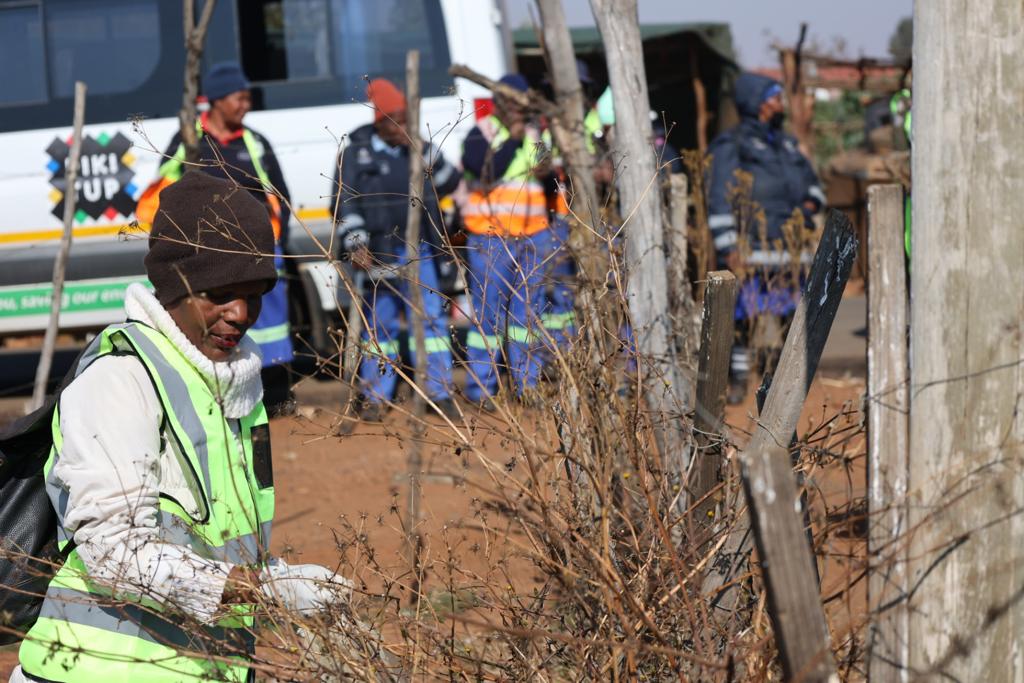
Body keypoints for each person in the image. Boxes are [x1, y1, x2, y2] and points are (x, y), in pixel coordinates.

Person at [13, 172, 351, 683]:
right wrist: (263, 591)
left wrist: (279, 579)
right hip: (96, 671)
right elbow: (115, 552)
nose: (240, 314)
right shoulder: (121, 380)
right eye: (218, 293)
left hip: (196, 667)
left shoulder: (228, 384)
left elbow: (211, 540)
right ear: (174, 285)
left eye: (255, 293)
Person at [140, 62, 295, 413]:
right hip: (209, 258)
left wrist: (270, 242)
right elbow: (167, 191)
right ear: (218, 100)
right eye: (239, 98)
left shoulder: (255, 143)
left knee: (268, 322)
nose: (246, 105)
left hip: (258, 255)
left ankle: (273, 393)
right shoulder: (189, 141)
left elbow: (280, 196)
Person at [332, 78, 460, 421]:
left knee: (431, 320)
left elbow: (450, 179)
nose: (403, 127)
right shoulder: (355, 155)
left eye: (407, 120)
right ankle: (376, 396)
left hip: (418, 250)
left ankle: (438, 391)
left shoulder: (417, 148)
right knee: (381, 327)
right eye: (397, 121)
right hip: (378, 253)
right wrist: (356, 245)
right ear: (380, 122)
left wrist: (421, 145)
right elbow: (343, 205)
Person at [707, 72, 825, 402]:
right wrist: (729, 246)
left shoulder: (787, 144)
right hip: (750, 252)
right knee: (744, 319)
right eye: (773, 98)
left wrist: (812, 200)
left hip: (790, 252)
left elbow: (812, 182)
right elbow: (719, 196)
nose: (779, 104)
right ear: (757, 104)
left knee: (792, 318)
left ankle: (789, 381)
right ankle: (740, 380)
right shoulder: (732, 146)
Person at [460, 73, 555, 406]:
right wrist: (513, 141)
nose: (518, 109)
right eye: (513, 102)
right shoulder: (480, 133)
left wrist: (544, 147)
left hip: (532, 237)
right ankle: (483, 391)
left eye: (523, 103)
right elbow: (484, 171)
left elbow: (547, 171)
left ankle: (528, 387)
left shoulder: (534, 135)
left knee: (524, 319)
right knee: (488, 317)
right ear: (500, 102)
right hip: (491, 239)